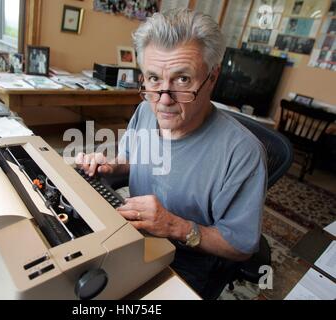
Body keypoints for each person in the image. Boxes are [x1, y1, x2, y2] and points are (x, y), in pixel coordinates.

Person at [76, 9, 267, 300]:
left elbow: (240, 246)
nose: (163, 101)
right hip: (128, 236)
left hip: (183, 268)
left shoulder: (243, 153)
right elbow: (136, 162)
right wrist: (109, 166)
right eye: (153, 79)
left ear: (212, 77)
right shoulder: (145, 110)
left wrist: (174, 225)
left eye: (182, 80)